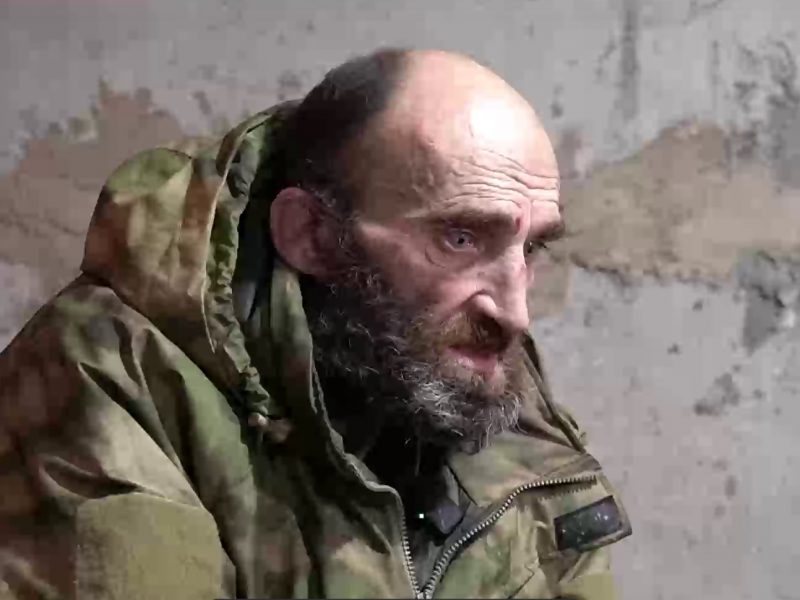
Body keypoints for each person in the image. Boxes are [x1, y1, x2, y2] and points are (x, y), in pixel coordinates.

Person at [0, 48, 630, 599]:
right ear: (311, 235)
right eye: (460, 238)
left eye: (531, 248)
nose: (515, 313)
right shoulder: (112, 374)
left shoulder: (485, 390)